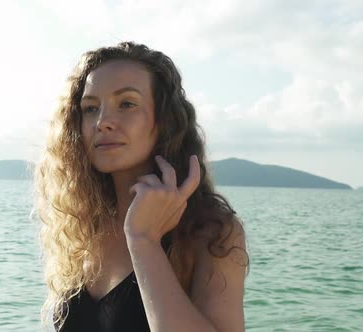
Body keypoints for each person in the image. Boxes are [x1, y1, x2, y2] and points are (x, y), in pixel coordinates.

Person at [33, 41, 248, 332]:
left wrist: (143, 240)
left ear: (164, 121)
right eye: (90, 108)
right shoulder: (81, 225)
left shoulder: (209, 232)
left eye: (127, 104)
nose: (103, 121)